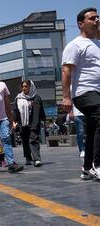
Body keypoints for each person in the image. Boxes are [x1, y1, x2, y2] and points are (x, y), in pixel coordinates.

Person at [61, 8, 100, 180]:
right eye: (92, 18)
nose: (97, 19)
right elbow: (66, 71)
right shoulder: (75, 45)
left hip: (97, 93)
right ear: (80, 23)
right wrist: (66, 96)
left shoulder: (97, 43)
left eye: (98, 17)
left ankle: (86, 168)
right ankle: (97, 165)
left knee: (92, 130)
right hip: (84, 92)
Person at [13, 80, 46, 167]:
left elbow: (41, 110)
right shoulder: (18, 98)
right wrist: (14, 121)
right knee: (25, 142)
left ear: (30, 87)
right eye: (23, 86)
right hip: (22, 123)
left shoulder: (37, 98)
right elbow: (16, 111)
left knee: (33, 140)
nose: (24, 88)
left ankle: (37, 159)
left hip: (34, 122)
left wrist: (43, 119)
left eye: (26, 86)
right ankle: (28, 158)